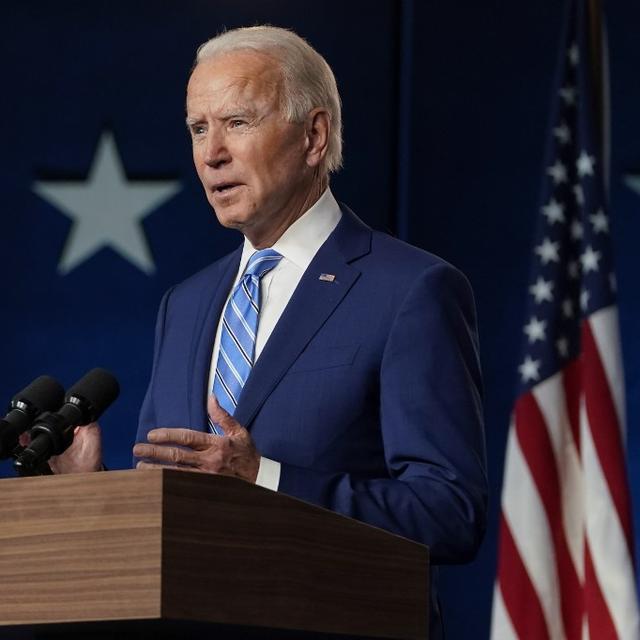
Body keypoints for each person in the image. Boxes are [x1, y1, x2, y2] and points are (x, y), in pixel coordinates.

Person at [52, 26, 488, 639]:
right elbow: (173, 518)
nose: (211, 154)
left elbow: (450, 512)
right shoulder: (187, 302)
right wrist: (87, 495)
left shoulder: (411, 290)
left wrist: (265, 479)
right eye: (198, 129)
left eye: (237, 122)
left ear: (314, 136)